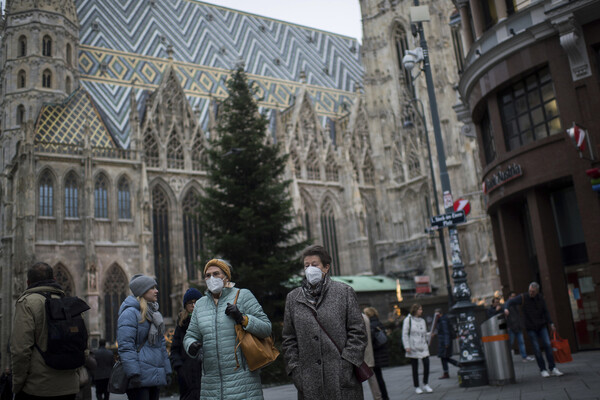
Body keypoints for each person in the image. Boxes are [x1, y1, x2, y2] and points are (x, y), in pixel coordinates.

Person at [282, 245, 367, 400]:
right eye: (306, 266)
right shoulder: (293, 298)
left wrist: (346, 365)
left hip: (341, 379)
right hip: (308, 383)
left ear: (326, 267)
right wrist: (295, 370)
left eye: (315, 265)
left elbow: (358, 332)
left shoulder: (344, 292)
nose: (310, 269)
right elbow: (289, 339)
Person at [183, 259, 271, 400]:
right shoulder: (200, 305)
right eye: (208, 275)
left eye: (216, 273)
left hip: (243, 383)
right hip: (211, 386)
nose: (211, 278)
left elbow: (266, 328)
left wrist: (243, 318)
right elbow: (190, 335)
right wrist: (190, 345)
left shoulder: (243, 295)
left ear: (226, 277)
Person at [11, 262, 80, 399]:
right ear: (54, 280)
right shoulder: (71, 304)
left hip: (37, 388)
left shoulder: (27, 303)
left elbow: (20, 351)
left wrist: (17, 385)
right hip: (69, 388)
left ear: (28, 282)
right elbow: (83, 345)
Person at [117, 274, 172, 400]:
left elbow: (161, 345)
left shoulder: (155, 315)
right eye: (152, 288)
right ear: (142, 291)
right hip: (139, 376)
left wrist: (167, 371)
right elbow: (126, 346)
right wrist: (133, 373)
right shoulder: (130, 313)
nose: (156, 291)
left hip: (154, 375)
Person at [504, 282, 563, 378]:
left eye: (533, 292)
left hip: (541, 325)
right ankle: (543, 369)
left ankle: (553, 368)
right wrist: (506, 308)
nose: (531, 293)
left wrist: (551, 323)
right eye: (530, 291)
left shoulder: (540, 298)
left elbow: (546, 311)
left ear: (537, 291)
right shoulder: (523, 297)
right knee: (536, 348)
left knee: (548, 345)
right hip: (530, 327)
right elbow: (510, 302)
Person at [170, 288, 203, 400]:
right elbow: (174, 349)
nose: (193, 305)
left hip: (205, 372)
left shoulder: (207, 320)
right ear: (185, 306)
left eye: (196, 302)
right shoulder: (181, 324)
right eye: (190, 303)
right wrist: (179, 368)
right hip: (187, 374)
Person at [402, 303, 433, 394]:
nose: (421, 311)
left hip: (423, 346)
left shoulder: (422, 320)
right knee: (414, 367)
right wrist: (407, 346)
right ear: (415, 310)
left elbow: (423, 333)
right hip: (413, 346)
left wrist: (429, 335)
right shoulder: (408, 320)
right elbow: (404, 334)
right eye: (420, 309)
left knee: (426, 364)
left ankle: (426, 383)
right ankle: (417, 386)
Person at [364, 307, 390, 400]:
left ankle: (382, 396)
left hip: (375, 354)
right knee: (380, 377)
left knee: (377, 377)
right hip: (381, 353)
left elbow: (371, 341)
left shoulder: (371, 324)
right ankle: (385, 396)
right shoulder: (379, 323)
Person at [505, 291, 535, 363]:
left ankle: (524, 356)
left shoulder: (516, 305)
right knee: (510, 343)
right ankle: (507, 357)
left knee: (521, 342)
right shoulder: (507, 305)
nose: (514, 298)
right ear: (509, 297)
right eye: (512, 296)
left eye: (515, 296)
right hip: (512, 327)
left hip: (518, 326)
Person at [434, 308, 458, 379]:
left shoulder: (443, 321)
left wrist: (446, 343)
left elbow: (446, 332)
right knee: (444, 357)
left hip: (444, 342)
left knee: (444, 357)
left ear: (439, 314)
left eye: (436, 313)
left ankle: (457, 365)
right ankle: (447, 372)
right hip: (443, 341)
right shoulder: (441, 320)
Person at [362, 313, 382, 400]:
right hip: (368, 352)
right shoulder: (364, 317)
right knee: (372, 378)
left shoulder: (356, 316)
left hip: (360, 353)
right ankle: (378, 397)